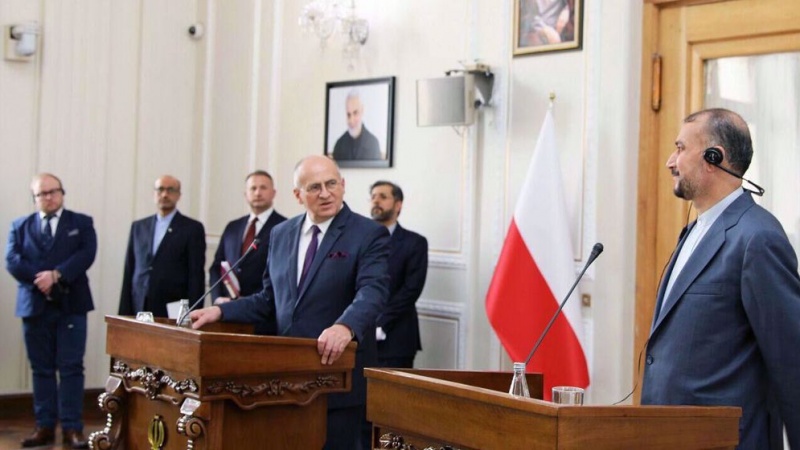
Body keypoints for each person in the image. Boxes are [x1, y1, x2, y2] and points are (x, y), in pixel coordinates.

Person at [190, 155, 389, 450]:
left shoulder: (368, 233)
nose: (325, 193)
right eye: (314, 187)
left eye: (331, 184)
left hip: (338, 377)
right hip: (286, 380)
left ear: (343, 185)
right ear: (298, 195)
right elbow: (269, 299)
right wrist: (220, 310)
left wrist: (345, 327)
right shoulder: (281, 234)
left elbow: (373, 291)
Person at [641, 108, 800, 449]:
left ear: (714, 157)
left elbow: (792, 361)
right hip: (669, 436)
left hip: (727, 441)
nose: (671, 161)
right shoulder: (692, 232)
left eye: (681, 148)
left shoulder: (758, 238)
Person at [5, 174, 97, 448]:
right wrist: (41, 278)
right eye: (41, 194)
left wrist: (57, 275)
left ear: (62, 193)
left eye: (52, 191)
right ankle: (44, 426)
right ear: (34, 198)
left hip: (71, 306)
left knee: (71, 368)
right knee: (41, 369)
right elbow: (12, 259)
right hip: (34, 307)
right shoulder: (20, 226)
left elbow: (87, 254)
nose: (48, 197)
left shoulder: (81, 223)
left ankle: (72, 428)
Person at [208, 170, 286, 334]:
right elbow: (216, 267)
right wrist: (217, 298)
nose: (258, 193)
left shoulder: (284, 227)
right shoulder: (233, 227)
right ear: (246, 194)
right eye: (253, 188)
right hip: (228, 314)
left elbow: (282, 276)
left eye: (263, 188)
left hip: (263, 318)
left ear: (273, 193)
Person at [119, 175, 206, 318]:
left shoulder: (192, 228)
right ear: (154, 194)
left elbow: (196, 275)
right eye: (160, 190)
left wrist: (193, 313)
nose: (165, 194)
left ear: (178, 195)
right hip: (140, 303)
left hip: (173, 307)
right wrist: (124, 314)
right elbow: (129, 270)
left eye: (170, 190)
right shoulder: (139, 227)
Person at [370, 181, 428, 368]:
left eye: (383, 197)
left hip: (396, 338)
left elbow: (411, 290)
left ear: (398, 205)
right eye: (373, 197)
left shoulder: (415, 243)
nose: (376, 201)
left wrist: (380, 322)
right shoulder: (359, 238)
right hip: (359, 336)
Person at [332, 90, 382, 161]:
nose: (351, 120)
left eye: (355, 113)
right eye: (348, 115)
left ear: (362, 111)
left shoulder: (373, 144)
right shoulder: (339, 145)